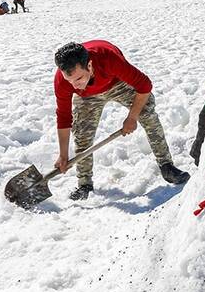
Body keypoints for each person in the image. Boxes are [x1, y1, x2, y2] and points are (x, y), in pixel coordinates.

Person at [53, 41, 189, 200]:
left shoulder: (108, 59)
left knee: (147, 114)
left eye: (78, 78)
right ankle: (85, 185)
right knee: (82, 135)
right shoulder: (62, 80)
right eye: (70, 81)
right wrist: (63, 155)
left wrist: (132, 117)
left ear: (89, 65)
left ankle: (167, 166)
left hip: (117, 82)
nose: (74, 85)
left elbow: (145, 86)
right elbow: (64, 117)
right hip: (87, 96)